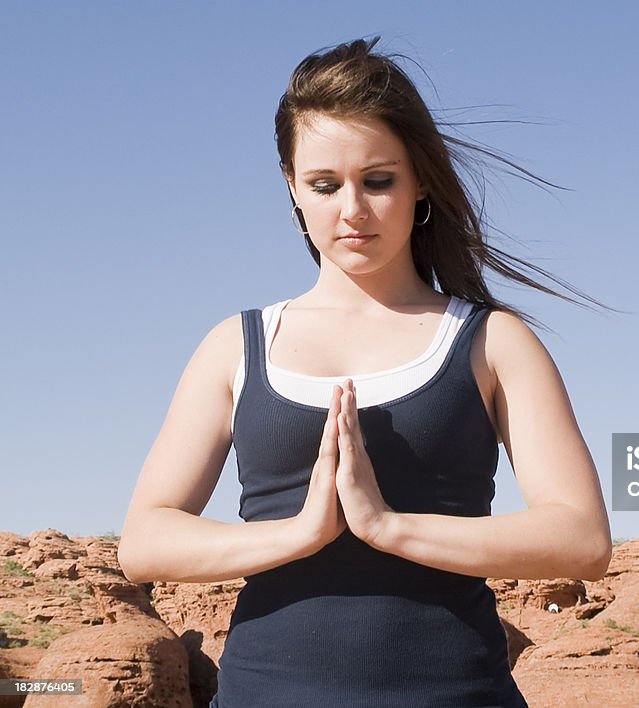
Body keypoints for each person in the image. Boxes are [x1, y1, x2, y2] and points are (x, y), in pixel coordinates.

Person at [117, 36, 612, 707]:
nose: (352, 210)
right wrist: (300, 533)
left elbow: (580, 538)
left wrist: (389, 527)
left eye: (378, 180)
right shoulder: (234, 346)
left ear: (420, 183)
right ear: (292, 187)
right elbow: (146, 540)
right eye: (324, 185)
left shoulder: (493, 342)